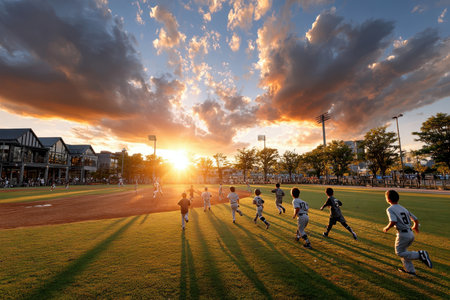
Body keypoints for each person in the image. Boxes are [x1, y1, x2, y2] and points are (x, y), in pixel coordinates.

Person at [383, 190, 432, 275]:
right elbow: (415, 219)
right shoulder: (403, 208)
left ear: (388, 199)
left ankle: (420, 255)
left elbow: (393, 221)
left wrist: (386, 228)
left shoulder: (390, 209)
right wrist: (415, 226)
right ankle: (410, 271)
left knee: (399, 252)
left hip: (403, 234)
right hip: (410, 233)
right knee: (404, 251)